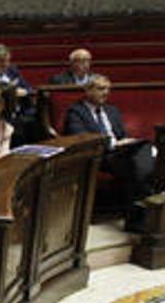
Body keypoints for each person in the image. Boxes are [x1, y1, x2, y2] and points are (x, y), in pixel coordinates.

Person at [64, 75, 155, 232]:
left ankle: (137, 220)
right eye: (100, 89)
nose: (106, 93)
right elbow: (80, 137)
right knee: (141, 165)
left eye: (108, 89)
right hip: (98, 156)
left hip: (120, 153)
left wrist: (126, 142)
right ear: (87, 90)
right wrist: (113, 143)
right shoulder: (76, 111)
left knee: (142, 152)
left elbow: (121, 134)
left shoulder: (112, 111)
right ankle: (143, 215)